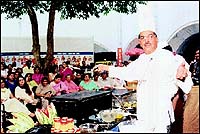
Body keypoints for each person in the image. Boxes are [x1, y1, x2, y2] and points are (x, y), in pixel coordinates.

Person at [96, 29, 193, 132]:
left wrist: (182, 70)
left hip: (161, 114)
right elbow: (128, 72)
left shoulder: (168, 57)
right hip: (144, 113)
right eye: (142, 38)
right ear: (140, 43)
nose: (146, 40)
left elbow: (185, 79)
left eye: (150, 36)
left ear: (156, 39)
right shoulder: (142, 59)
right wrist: (107, 68)